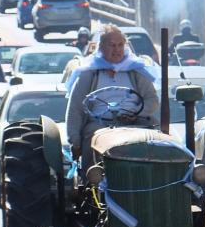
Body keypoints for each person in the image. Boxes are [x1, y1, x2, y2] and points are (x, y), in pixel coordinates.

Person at [64, 25, 161, 172]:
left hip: (135, 122)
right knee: (91, 139)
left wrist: (135, 112)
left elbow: (152, 101)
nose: (117, 49)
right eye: (112, 45)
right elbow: (75, 109)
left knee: (158, 141)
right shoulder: (89, 74)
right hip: (99, 124)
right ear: (101, 47)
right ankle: (93, 180)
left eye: (120, 45)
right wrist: (75, 142)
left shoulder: (136, 71)